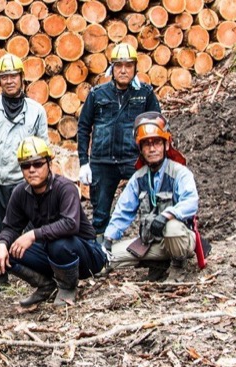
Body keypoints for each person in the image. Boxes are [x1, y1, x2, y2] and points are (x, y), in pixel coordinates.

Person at [0, 137, 106, 306]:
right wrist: (2, 244)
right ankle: (45, 285)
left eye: (38, 164)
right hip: (51, 253)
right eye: (26, 165)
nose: (32, 170)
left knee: (59, 243)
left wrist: (32, 235)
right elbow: (10, 226)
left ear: (49, 164)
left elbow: (70, 224)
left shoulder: (66, 188)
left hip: (86, 254)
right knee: (8, 251)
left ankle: (68, 287)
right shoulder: (20, 193)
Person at [0, 53, 48, 293]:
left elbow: (42, 145)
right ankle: (0, 276)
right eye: (4, 77)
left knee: (27, 228)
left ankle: (32, 273)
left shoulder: (36, 111)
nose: (9, 81)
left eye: (13, 76)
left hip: (23, 180)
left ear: (22, 78)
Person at [77, 43, 161, 242]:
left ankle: (151, 254)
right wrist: (83, 162)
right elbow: (83, 127)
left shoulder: (145, 94)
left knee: (149, 206)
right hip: (103, 162)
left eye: (128, 65)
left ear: (135, 68)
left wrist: (155, 160)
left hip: (134, 161)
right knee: (100, 214)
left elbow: (157, 126)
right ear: (112, 68)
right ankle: (99, 259)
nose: (123, 70)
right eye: (119, 65)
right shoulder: (98, 94)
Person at [103, 112, 198, 283]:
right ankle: (159, 264)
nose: (152, 148)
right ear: (140, 149)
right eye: (146, 144)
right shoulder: (138, 178)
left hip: (181, 240)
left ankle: (178, 267)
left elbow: (191, 202)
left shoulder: (179, 173)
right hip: (151, 243)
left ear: (166, 145)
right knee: (110, 258)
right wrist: (108, 239)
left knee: (173, 229)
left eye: (156, 143)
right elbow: (123, 211)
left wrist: (167, 215)